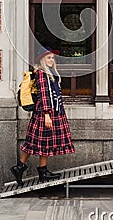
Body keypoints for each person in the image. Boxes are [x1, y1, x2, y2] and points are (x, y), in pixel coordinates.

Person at [11, 46, 75, 185]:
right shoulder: (41, 74)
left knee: (39, 143)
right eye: (48, 57)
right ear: (42, 60)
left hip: (51, 111)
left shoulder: (51, 72)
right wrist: (47, 114)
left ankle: (31, 169)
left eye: (52, 57)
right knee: (41, 142)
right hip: (45, 112)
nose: (51, 60)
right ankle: (34, 169)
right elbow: (44, 95)